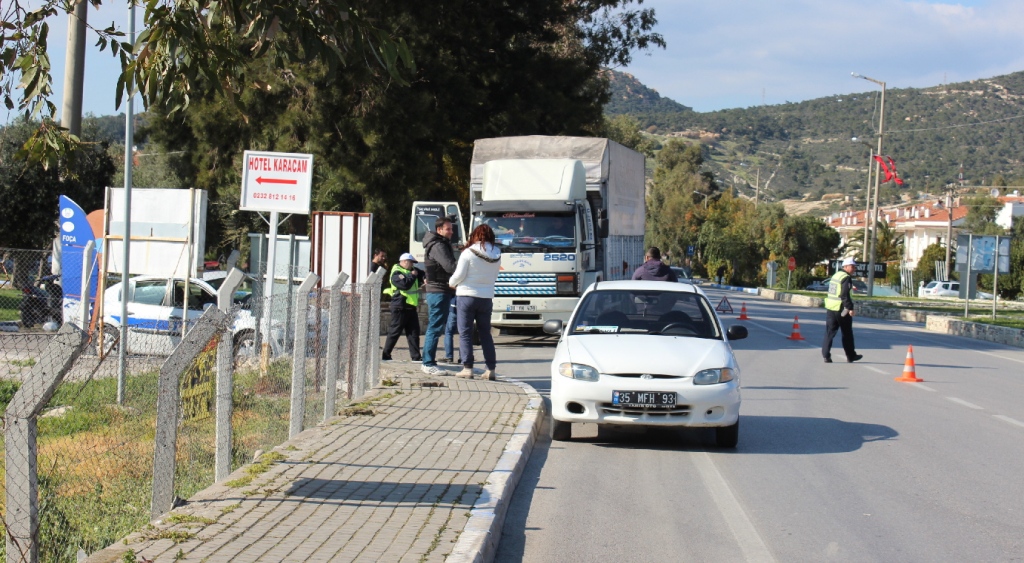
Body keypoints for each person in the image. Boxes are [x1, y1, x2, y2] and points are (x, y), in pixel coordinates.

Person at [449, 224, 502, 380]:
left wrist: (451, 282)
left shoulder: (468, 252)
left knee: (465, 333)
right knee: (485, 333)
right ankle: (490, 369)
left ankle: (467, 368)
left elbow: (458, 275)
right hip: (486, 297)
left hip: (467, 295)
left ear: (475, 235)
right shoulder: (497, 253)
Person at [421, 217, 459, 375]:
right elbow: (450, 267)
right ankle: (428, 363)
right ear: (439, 230)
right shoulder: (438, 245)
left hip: (441, 290)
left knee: (435, 327)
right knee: (435, 327)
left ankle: (429, 361)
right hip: (438, 291)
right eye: (448, 229)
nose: (451, 232)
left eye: (451, 229)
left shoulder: (441, 244)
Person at [381, 253, 425, 362]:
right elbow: (404, 285)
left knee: (414, 333)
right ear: (405, 261)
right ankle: (386, 355)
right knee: (395, 332)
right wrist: (413, 276)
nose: (412, 266)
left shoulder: (412, 270)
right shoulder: (397, 273)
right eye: (411, 263)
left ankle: (416, 357)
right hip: (400, 306)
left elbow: (423, 273)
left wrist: (424, 278)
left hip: (411, 307)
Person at [822, 257, 863, 364]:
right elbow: (844, 295)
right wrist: (850, 308)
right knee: (847, 333)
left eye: (854, 267)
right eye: (852, 266)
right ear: (845, 267)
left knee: (829, 332)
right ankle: (851, 356)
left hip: (831, 307)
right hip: (841, 309)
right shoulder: (846, 277)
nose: (854, 269)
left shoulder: (836, 275)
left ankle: (826, 355)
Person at [440, 295, 461, 364]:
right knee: (464, 334)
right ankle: (463, 357)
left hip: (455, 306)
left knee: (449, 333)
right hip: (467, 307)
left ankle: (449, 357)